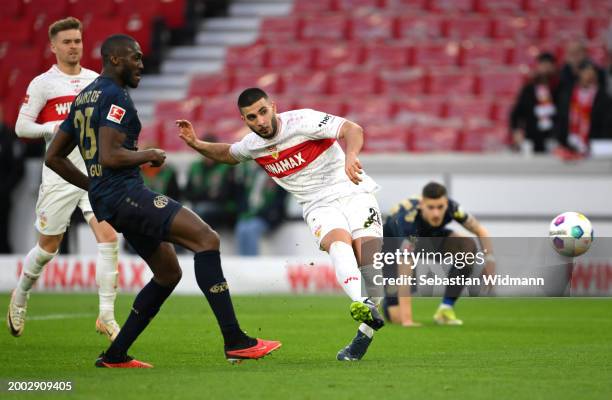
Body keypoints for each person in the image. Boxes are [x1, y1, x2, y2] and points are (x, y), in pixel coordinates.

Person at [45, 35, 280, 368]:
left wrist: (93, 186)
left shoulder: (85, 96)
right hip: (126, 194)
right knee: (206, 239)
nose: (141, 64)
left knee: (168, 272)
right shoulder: (115, 96)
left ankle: (115, 354)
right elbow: (111, 155)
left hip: (109, 198)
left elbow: (54, 156)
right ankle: (235, 340)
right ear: (114, 59)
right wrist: (149, 154)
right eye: (135, 58)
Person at [177, 87, 385, 362]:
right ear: (245, 120)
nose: (260, 121)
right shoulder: (253, 144)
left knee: (374, 272)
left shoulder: (303, 121)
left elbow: (352, 128)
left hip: (353, 189)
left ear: (273, 107)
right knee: (338, 242)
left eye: (263, 112)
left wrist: (350, 154)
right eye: (252, 117)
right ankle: (360, 302)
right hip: (317, 205)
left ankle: (363, 335)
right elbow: (228, 154)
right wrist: (196, 143)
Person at [7, 17, 121, 341]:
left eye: (78, 41)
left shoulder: (95, 81)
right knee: (48, 247)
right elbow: (21, 127)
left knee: (109, 238)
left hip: (93, 172)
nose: (74, 47)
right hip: (59, 174)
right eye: (67, 42)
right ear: (53, 46)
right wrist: (50, 128)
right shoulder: (43, 83)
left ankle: (107, 317)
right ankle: (21, 293)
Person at [382, 182, 495, 326]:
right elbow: (405, 271)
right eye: (431, 207)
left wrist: (490, 261)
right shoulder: (408, 222)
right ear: (422, 204)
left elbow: (480, 230)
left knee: (467, 246)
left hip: (430, 238)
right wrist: (407, 321)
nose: (436, 213)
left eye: (440, 207)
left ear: (446, 203)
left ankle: (445, 309)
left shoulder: (453, 208)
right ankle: (388, 301)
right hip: (392, 248)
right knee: (396, 317)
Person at [557, 60, 612, 156]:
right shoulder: (568, 93)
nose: (589, 76)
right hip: (569, 143)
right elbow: (561, 118)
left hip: (593, 145)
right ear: (579, 73)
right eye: (586, 72)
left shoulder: (603, 96)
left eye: (592, 73)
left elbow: (606, 122)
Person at [184, 134, 238, 229]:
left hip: (222, 207)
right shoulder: (195, 167)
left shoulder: (226, 167)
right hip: (199, 204)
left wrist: (203, 196)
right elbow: (187, 191)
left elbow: (226, 195)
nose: (207, 154)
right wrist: (204, 196)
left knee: (199, 212)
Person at [510, 52, 559, 153]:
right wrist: (516, 131)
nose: (545, 68)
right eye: (542, 64)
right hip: (532, 137)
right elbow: (516, 113)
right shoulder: (529, 89)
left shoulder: (560, 88)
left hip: (555, 138)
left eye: (548, 64)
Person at [235, 162, 287, 255]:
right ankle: (243, 262)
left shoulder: (278, 176)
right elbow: (244, 196)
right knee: (241, 227)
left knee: (252, 228)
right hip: (252, 214)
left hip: (267, 216)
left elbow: (279, 202)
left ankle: (252, 262)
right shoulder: (253, 174)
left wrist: (263, 213)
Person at [0, 106, 25, 253]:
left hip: (3, 196)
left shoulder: (9, 138)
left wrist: (5, 189)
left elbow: (18, 170)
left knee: (3, 230)